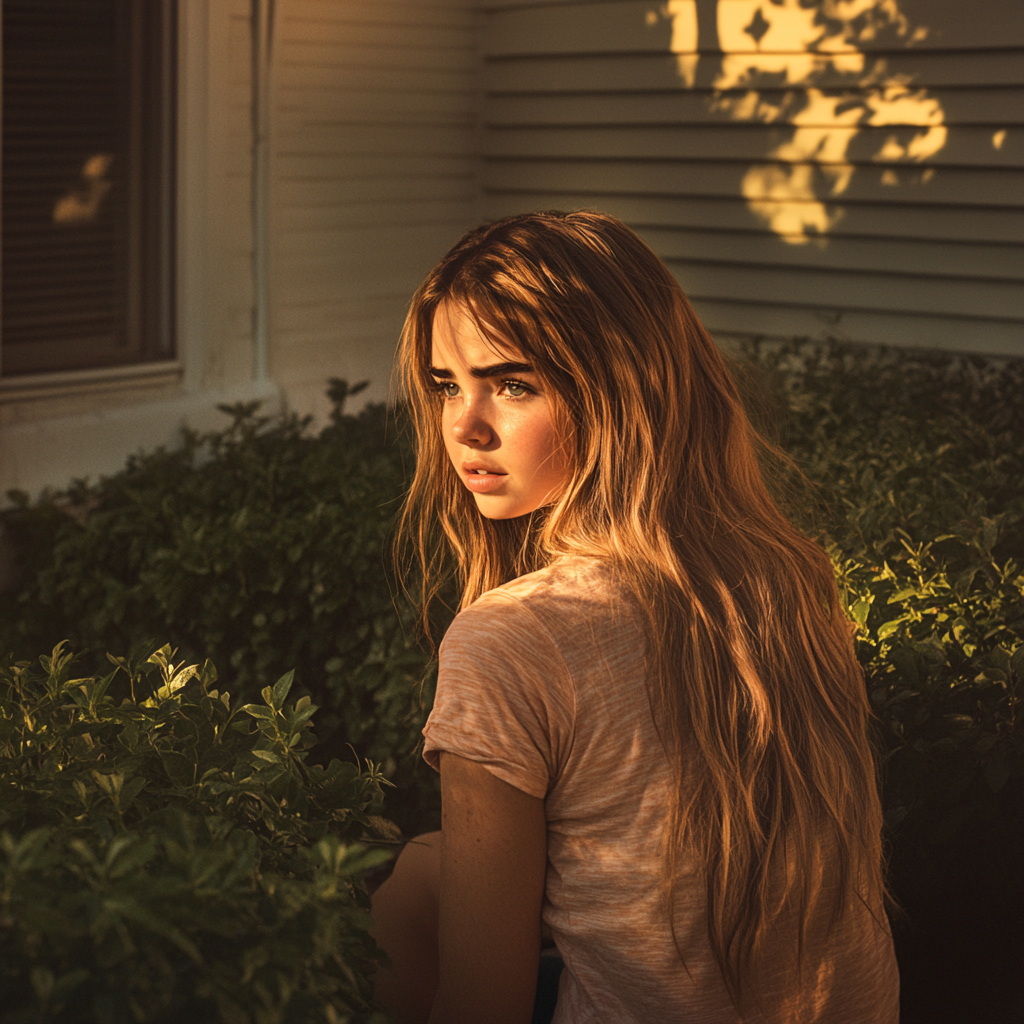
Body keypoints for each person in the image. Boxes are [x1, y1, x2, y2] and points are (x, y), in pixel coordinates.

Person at [370, 210, 899, 1024]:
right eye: (447, 384)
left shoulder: (509, 639)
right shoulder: (787, 576)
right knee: (419, 874)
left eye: (514, 383)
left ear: (617, 390)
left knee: (406, 894)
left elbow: (484, 1003)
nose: (463, 426)